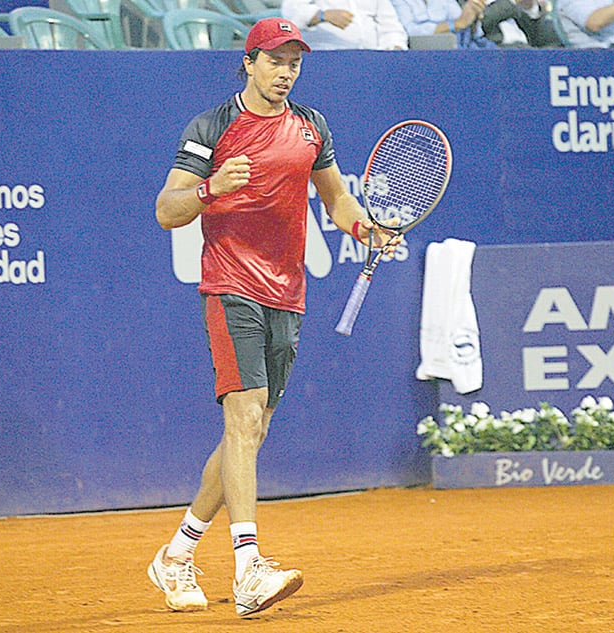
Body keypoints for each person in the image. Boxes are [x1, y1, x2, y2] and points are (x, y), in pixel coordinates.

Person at [147, 17, 387, 618]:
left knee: (248, 433)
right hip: (231, 285)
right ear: (249, 63)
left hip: (288, 292)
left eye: (294, 63)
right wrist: (210, 190)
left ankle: (176, 554)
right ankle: (249, 567)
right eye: (275, 61)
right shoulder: (212, 128)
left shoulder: (311, 127)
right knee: (246, 416)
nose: (285, 73)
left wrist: (364, 227)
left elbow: (335, 198)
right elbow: (166, 210)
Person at [280, 0, 408, 50]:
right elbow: (290, 12)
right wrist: (322, 15)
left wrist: (395, 47)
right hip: (326, 56)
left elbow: (390, 26)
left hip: (371, 59)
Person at [389, 0, 498, 48]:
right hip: (421, 55)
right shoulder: (398, 1)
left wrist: (473, 14)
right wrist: (454, 25)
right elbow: (408, 30)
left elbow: (463, 21)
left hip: (456, 50)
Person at [481, 0, 564, 47]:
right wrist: (513, 2)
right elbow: (483, 21)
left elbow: (536, 30)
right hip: (496, 53)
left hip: (531, 50)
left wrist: (530, 7)